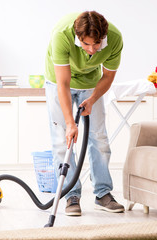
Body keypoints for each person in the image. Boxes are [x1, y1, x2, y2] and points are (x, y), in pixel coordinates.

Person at [44, 11, 125, 216]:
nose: (91, 50)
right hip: (58, 82)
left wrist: (93, 99)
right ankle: (71, 194)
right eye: (86, 44)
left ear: (104, 37)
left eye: (96, 44)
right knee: (62, 140)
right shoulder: (61, 36)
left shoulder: (114, 39)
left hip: (91, 83)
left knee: (98, 137)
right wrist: (71, 123)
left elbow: (108, 76)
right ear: (77, 37)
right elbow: (63, 83)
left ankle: (103, 193)